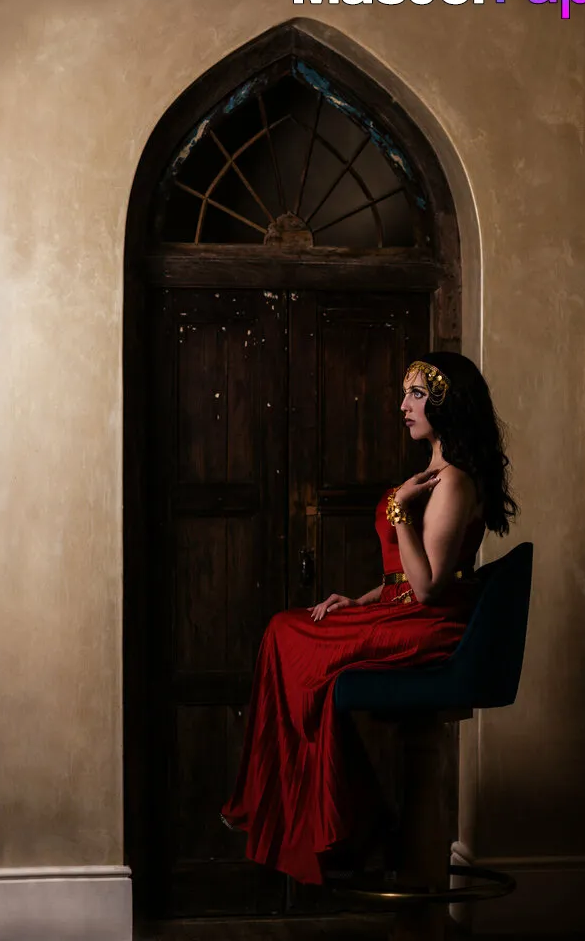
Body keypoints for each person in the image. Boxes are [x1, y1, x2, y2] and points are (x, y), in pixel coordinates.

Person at [220, 353, 518, 886]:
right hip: (398, 610)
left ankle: (346, 820)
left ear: (447, 402)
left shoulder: (454, 482)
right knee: (287, 631)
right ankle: (345, 814)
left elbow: (428, 588)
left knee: (288, 635)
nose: (403, 404)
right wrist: (358, 602)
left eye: (417, 394)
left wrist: (399, 510)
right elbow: (402, 576)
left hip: (429, 624)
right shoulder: (433, 473)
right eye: (405, 393)